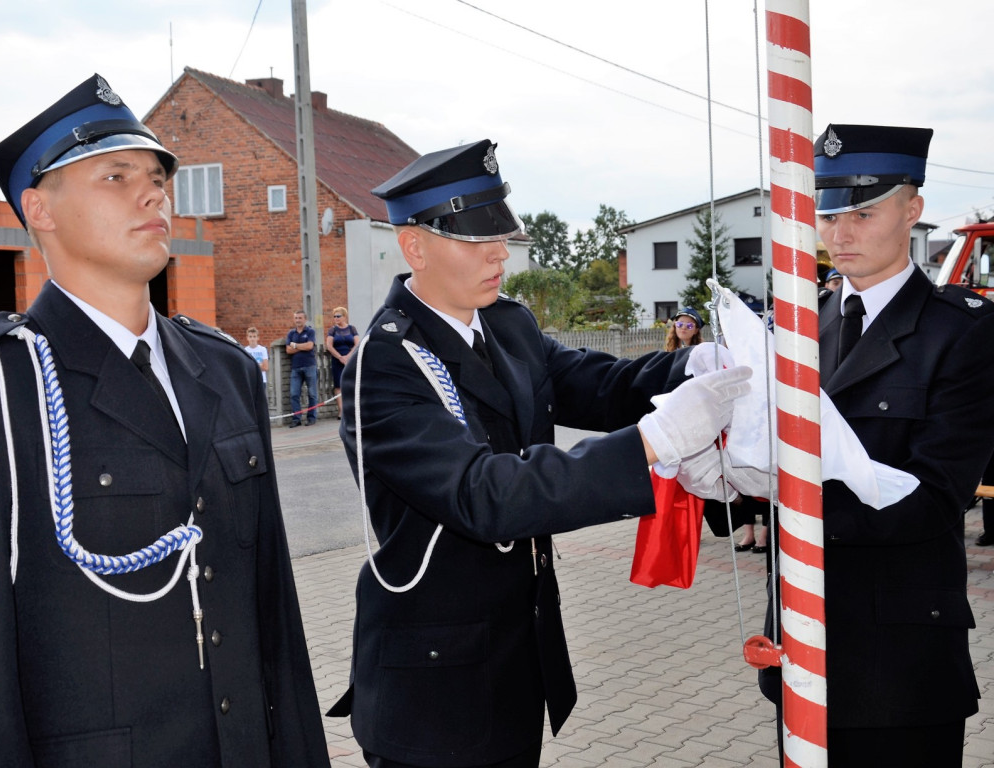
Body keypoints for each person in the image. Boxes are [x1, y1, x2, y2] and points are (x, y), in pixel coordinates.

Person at [324, 139, 752, 768]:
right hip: (435, 687)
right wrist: (656, 441)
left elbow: (596, 385)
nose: (500, 252)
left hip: (515, 662)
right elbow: (485, 493)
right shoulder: (384, 363)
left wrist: (690, 366)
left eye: (501, 232)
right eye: (475, 237)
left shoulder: (506, 324)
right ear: (415, 245)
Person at [0, 74, 330, 766]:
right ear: (39, 208)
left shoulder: (223, 369)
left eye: (157, 176)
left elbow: (272, 611)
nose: (153, 192)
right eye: (116, 175)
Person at [751, 124, 994, 766]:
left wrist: (792, 504)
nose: (840, 233)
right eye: (829, 214)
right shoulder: (809, 324)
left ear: (912, 210)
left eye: (863, 211)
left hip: (900, 664)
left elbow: (938, 495)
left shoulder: (963, 332)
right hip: (804, 645)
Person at [325, 306, 359, 417]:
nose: (336, 318)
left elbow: (357, 343)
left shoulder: (351, 329)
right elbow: (329, 346)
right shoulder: (333, 330)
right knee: (338, 385)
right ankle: (341, 411)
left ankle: (352, 408)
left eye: (338, 316)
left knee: (351, 383)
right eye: (334, 316)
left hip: (350, 359)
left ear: (344, 316)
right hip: (337, 360)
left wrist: (348, 356)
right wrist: (340, 357)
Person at [286, 309, 317, 427]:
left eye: (300, 318)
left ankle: (311, 417)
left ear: (305, 319)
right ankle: (296, 418)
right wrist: (300, 347)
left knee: (312, 393)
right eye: (296, 318)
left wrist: (295, 345)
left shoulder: (310, 331)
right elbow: (288, 350)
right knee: (294, 393)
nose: (298, 320)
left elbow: (310, 346)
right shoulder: (291, 333)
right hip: (296, 367)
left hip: (309, 365)